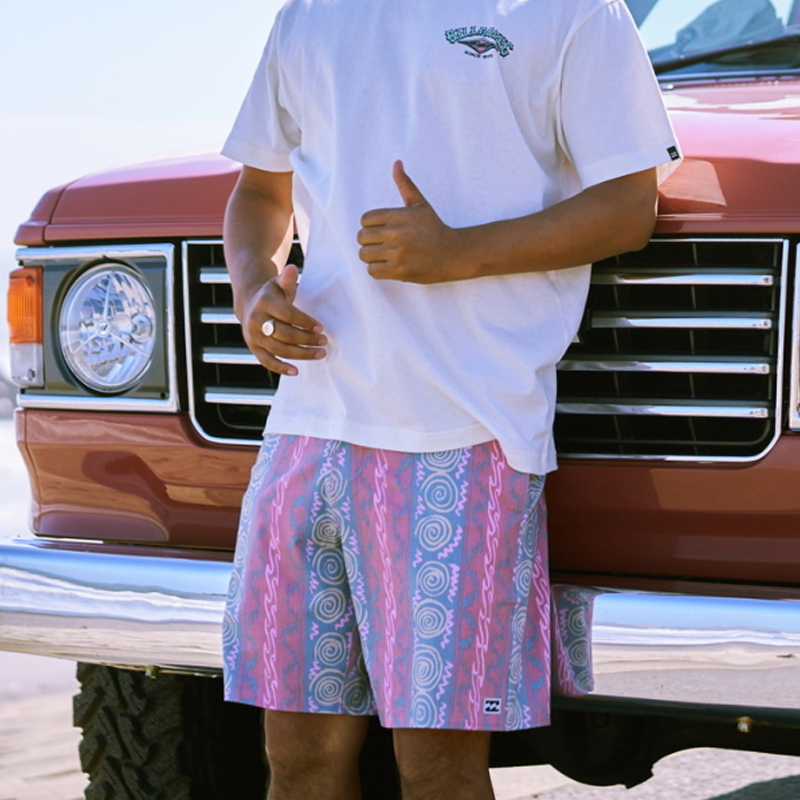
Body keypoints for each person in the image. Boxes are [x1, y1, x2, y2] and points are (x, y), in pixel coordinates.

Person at [220, 0, 681, 798]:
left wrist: (460, 253)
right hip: (305, 429)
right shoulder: (309, 15)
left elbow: (627, 205)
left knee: (437, 768)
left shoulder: (574, 10)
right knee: (296, 761)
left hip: (467, 436)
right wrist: (254, 286)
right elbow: (261, 191)